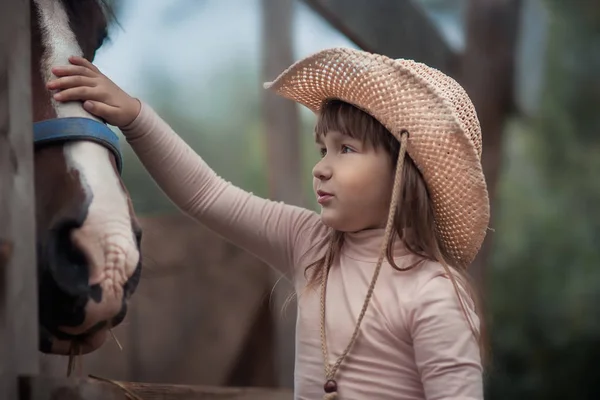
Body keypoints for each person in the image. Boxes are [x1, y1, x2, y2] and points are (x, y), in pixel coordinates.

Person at [47, 47, 490, 400]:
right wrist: (136, 118)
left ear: (403, 171)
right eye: (322, 151)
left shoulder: (434, 294)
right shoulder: (311, 243)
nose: (321, 168)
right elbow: (207, 194)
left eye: (346, 149)